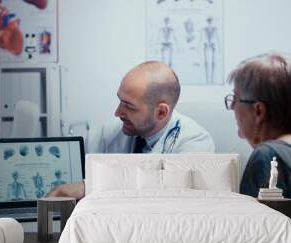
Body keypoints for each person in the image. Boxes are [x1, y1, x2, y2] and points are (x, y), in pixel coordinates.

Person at [49, 61, 214, 198]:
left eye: (129, 106)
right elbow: (69, 184)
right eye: (120, 101)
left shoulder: (195, 143)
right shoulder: (103, 135)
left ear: (161, 112)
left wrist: (89, 186)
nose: (117, 113)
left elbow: (168, 192)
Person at [226, 52, 291, 233]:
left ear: (258, 111)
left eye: (235, 99)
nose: (232, 107)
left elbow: (252, 241)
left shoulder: (269, 156)